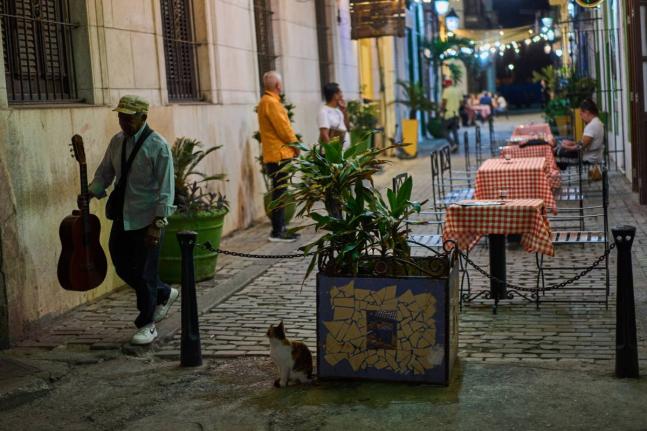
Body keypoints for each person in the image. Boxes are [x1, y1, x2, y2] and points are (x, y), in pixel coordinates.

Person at [82, 95, 177, 345]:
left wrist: (157, 224)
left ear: (143, 117)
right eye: (121, 117)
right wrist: (92, 191)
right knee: (121, 265)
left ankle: (147, 325)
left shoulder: (158, 146)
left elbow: (167, 189)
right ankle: (164, 292)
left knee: (145, 273)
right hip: (123, 216)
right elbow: (105, 172)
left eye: (129, 118)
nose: (123, 122)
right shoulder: (117, 142)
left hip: (148, 219)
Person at [257, 71, 300, 242]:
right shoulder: (271, 102)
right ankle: (277, 231)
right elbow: (284, 128)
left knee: (279, 191)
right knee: (280, 192)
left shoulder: (266, 101)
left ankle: (280, 228)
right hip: (279, 154)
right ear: (278, 86)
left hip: (275, 154)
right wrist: (296, 145)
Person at [555, 98, 604, 170]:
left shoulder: (592, 125)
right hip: (593, 156)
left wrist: (566, 147)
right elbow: (584, 143)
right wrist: (571, 143)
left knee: (558, 153)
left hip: (589, 159)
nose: (581, 117)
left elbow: (580, 147)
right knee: (559, 151)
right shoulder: (597, 122)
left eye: (581, 114)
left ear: (587, 112)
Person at [318, 82, 350, 148]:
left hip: (343, 151)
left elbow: (347, 128)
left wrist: (344, 111)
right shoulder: (324, 112)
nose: (342, 95)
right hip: (335, 154)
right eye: (340, 93)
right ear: (335, 95)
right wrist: (332, 153)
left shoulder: (338, 110)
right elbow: (324, 134)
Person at [441, 79, 462, 152]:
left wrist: (441, 110)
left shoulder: (446, 91)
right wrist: (456, 107)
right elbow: (461, 102)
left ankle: (453, 144)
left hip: (448, 114)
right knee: (454, 130)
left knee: (443, 130)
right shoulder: (457, 91)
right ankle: (457, 144)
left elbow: (444, 102)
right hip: (456, 113)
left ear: (446, 84)